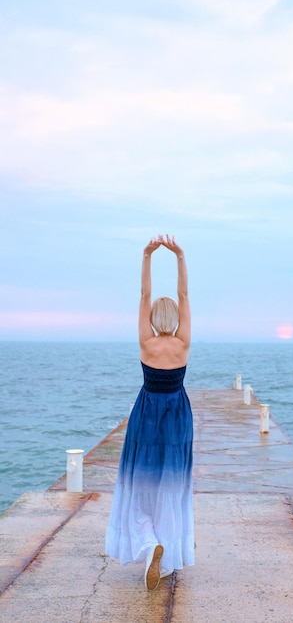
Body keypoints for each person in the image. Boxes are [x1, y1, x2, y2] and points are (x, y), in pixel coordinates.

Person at [105, 234, 194, 590]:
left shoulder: (146, 342)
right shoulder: (183, 343)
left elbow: (144, 296)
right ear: (174, 318)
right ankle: (167, 554)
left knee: (140, 483)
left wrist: (147, 256)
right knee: (171, 485)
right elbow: (184, 296)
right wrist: (180, 256)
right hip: (177, 415)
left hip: (147, 413)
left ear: (155, 319)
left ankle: (149, 542)